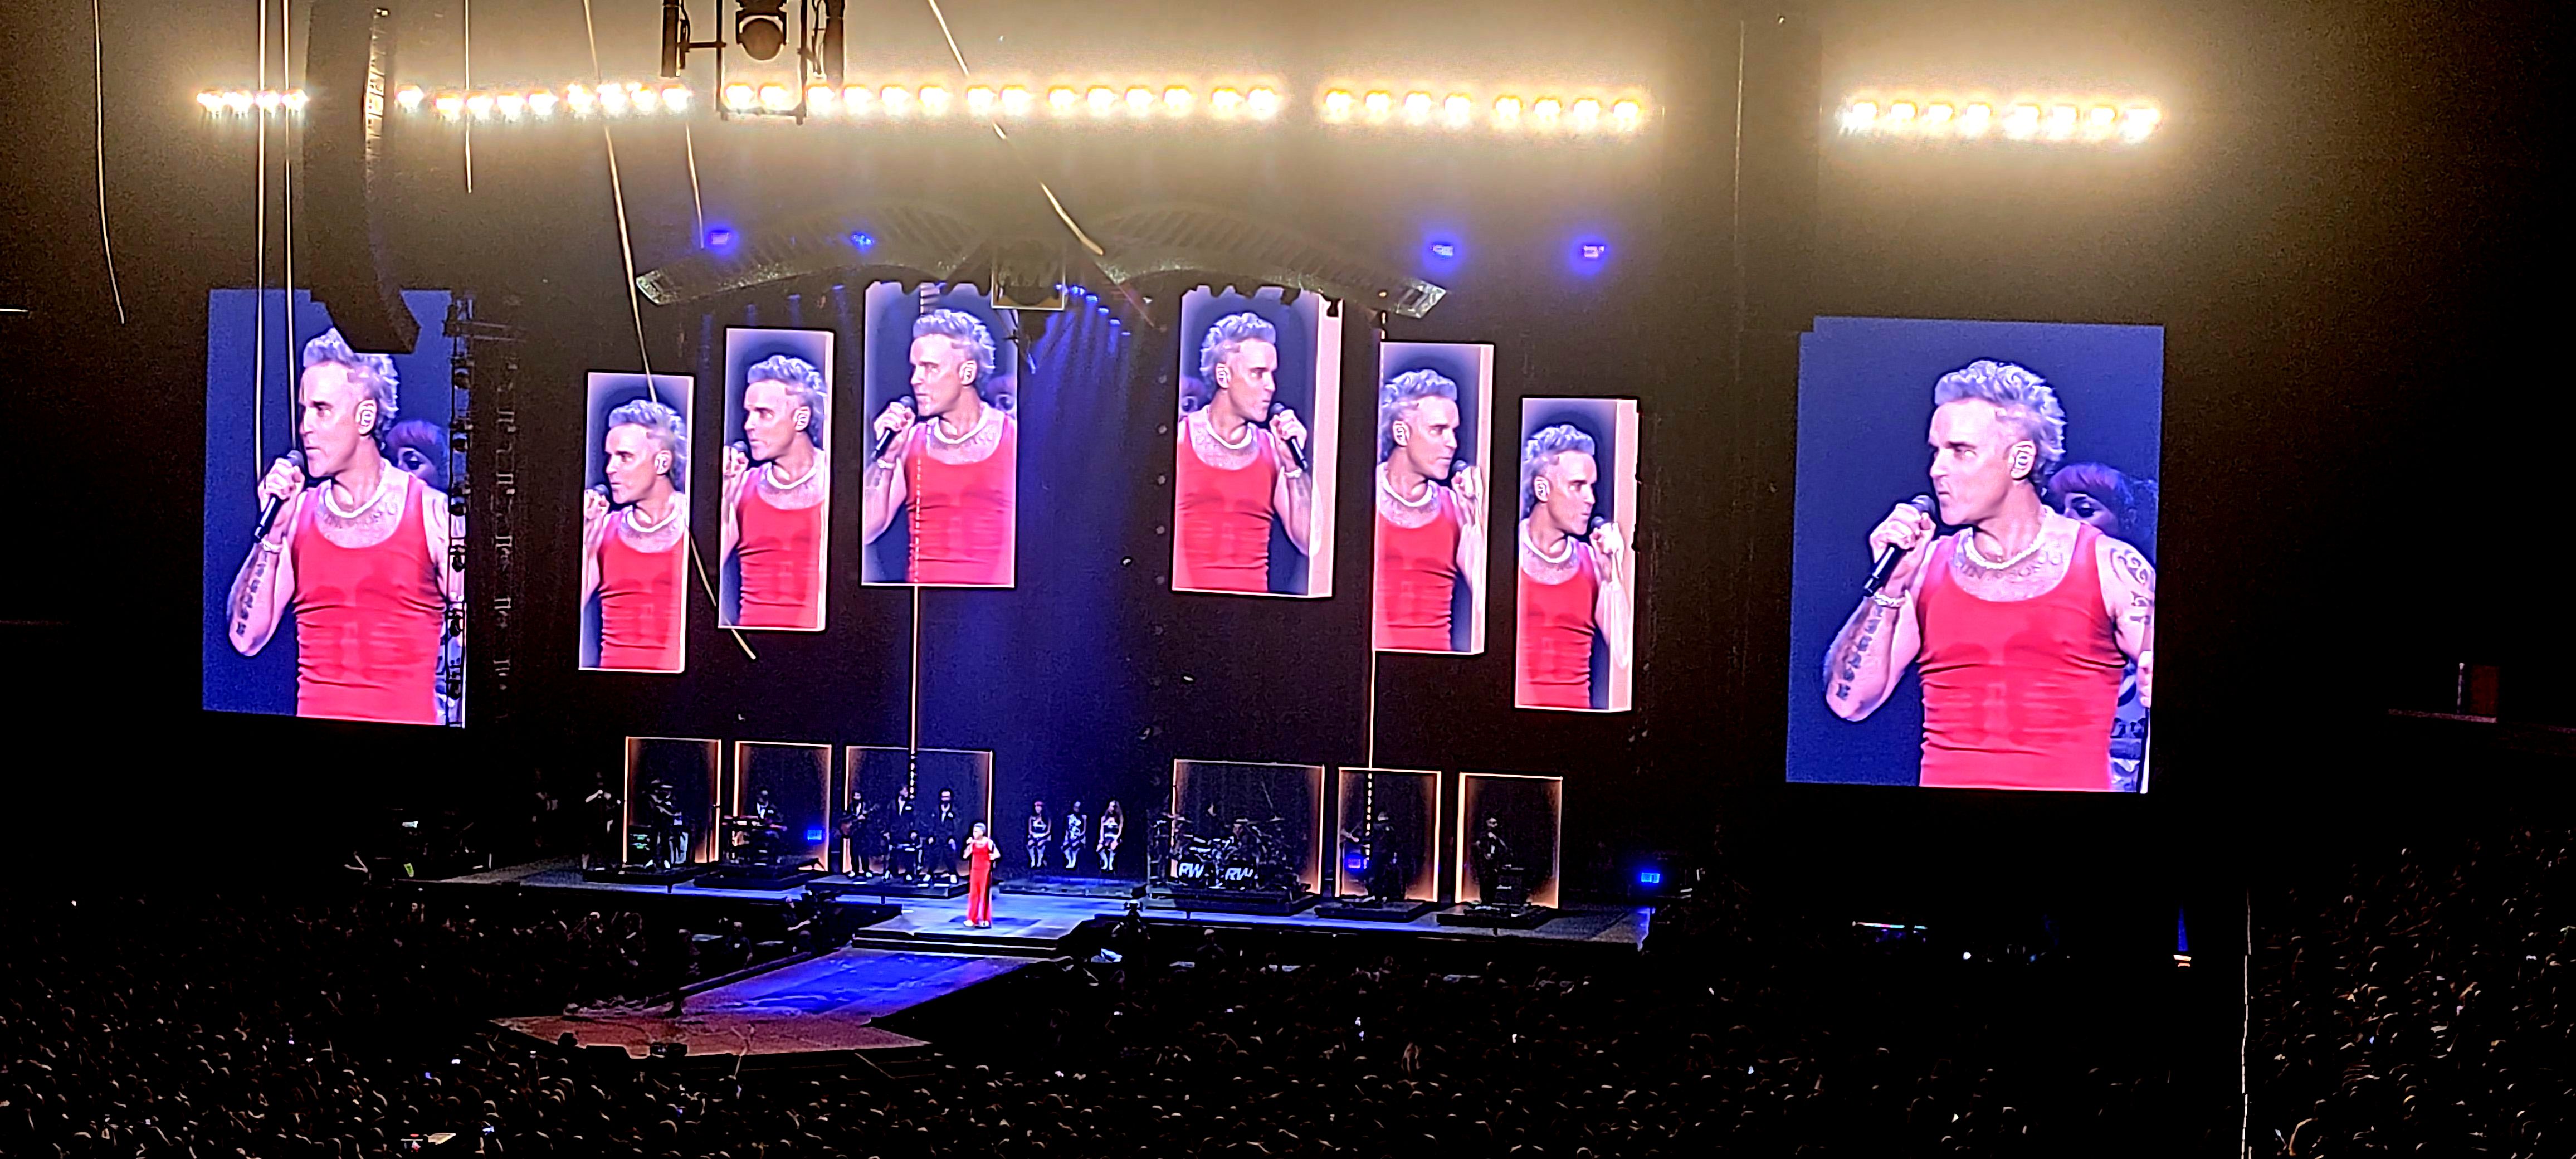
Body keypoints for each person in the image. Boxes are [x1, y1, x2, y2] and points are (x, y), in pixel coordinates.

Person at [1823, 361, 2157, 792]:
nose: (1937, 469)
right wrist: (1889, 587)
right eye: (1936, 452)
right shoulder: (1923, 569)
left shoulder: (2109, 565)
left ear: (2020, 460)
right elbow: (1848, 703)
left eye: (1961, 451)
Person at [227, 329, 463, 724]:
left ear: (365, 417)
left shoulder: (434, 515)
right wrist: (272, 534)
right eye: (304, 410)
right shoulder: (296, 515)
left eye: (322, 410)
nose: (305, 426)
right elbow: (244, 639)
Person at [864, 309, 1017, 586]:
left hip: (995, 604)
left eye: (930, 368)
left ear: (967, 373)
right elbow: (864, 530)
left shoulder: (1013, 437)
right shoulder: (911, 441)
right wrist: (886, 458)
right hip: (923, 603)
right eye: (915, 368)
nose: (915, 379)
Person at [1173, 312, 1314, 592]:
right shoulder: (1180, 439)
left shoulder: (1274, 449)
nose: (1271, 386)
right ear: (1223, 376)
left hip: (1252, 611)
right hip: (1184, 608)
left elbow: (1310, 542)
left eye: (1272, 374)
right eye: (1258, 374)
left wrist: (1294, 468)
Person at [2050, 461, 2159, 791]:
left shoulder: (2138, 586)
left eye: (2084, 511)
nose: (2067, 521)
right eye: (2059, 510)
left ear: (2126, 519)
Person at [1514, 425, 1635, 709]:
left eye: (1591, 487)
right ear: (1542, 489)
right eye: (1578, 486)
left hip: (1576, 718)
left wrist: (1612, 577)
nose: (1591, 499)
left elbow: (1623, 655)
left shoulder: (1595, 562)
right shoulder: (1504, 551)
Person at [1373, 369, 1484, 651]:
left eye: (1454, 431)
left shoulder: (1456, 507)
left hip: (1435, 666)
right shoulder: (1359, 494)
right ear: (1401, 433)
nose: (1452, 443)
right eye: (1438, 430)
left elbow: (1488, 599)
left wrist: (1474, 521)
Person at [580, 397, 689, 672]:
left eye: (625, 457)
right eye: (609, 457)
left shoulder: (697, 524)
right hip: (611, 684)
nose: (610, 469)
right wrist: (585, 537)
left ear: (662, 463)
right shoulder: (602, 529)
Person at [721, 355, 828, 627]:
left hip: (824, 641)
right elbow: (700, 570)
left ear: (801, 418)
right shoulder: (741, 486)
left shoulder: (836, 480)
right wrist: (723, 496)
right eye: (748, 413)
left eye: (764, 414)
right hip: (752, 641)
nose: (749, 425)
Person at [962, 821, 999, 928]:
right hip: (975, 871)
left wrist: (993, 857)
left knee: (984, 895)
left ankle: (985, 919)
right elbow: (965, 856)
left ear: (982, 832)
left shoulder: (989, 843)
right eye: (973, 831)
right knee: (973, 895)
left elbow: (997, 854)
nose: (974, 834)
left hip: (985, 871)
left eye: (976, 832)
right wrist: (968, 845)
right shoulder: (973, 843)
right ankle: (971, 919)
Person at [1472, 816, 1513, 903]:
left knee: (1493, 884)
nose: (1493, 826)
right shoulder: (1482, 836)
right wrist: (1484, 855)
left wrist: (1496, 839)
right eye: (1491, 823)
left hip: (1495, 864)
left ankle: (1491, 902)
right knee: (1484, 883)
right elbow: (1477, 846)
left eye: (1495, 823)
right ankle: (1484, 902)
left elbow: (1505, 849)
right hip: (1484, 865)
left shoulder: (1499, 836)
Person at [928, 787, 963, 883]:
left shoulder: (955, 811)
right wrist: (931, 836)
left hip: (948, 837)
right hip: (937, 836)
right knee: (934, 855)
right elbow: (932, 824)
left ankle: (953, 873)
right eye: (943, 797)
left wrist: (952, 837)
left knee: (949, 856)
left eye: (947, 797)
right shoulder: (936, 810)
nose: (945, 799)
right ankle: (930, 873)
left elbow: (958, 825)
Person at [1097, 800, 1125, 873]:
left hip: (1115, 837)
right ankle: (1105, 861)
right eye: (1110, 806)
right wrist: (1101, 839)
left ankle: (1111, 863)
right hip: (1106, 837)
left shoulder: (1119, 818)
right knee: (1099, 849)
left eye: (1112, 806)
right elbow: (1101, 829)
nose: (1110, 808)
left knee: (1113, 847)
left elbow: (1120, 830)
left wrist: (1116, 839)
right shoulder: (1104, 818)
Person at [1025, 800, 1051, 871]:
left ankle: (1040, 860)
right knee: (1029, 844)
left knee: (1040, 844)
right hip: (1035, 835)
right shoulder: (1032, 817)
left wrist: (1042, 836)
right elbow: (1030, 830)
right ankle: (1033, 861)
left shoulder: (1047, 818)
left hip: (1044, 836)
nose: (1038, 808)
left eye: (1039, 807)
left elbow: (1048, 831)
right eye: (1036, 807)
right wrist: (1033, 835)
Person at [1062, 802, 1087, 871]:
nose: (1077, 809)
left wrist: (1080, 836)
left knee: (1074, 846)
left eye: (1078, 807)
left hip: (1079, 836)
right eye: (1075, 807)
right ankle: (1069, 860)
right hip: (1070, 835)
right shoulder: (1069, 816)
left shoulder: (1084, 817)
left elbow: (1084, 830)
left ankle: (1074, 860)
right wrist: (1067, 836)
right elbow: (1066, 828)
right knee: (1065, 847)